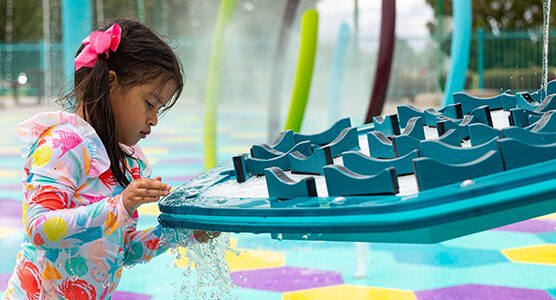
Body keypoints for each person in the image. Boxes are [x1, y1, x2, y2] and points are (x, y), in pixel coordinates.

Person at [3, 18, 218, 300]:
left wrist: (186, 234)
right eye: (150, 103)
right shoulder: (62, 144)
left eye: (159, 109)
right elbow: (40, 229)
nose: (153, 119)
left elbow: (124, 250)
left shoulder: (126, 162)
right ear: (109, 83)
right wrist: (121, 205)